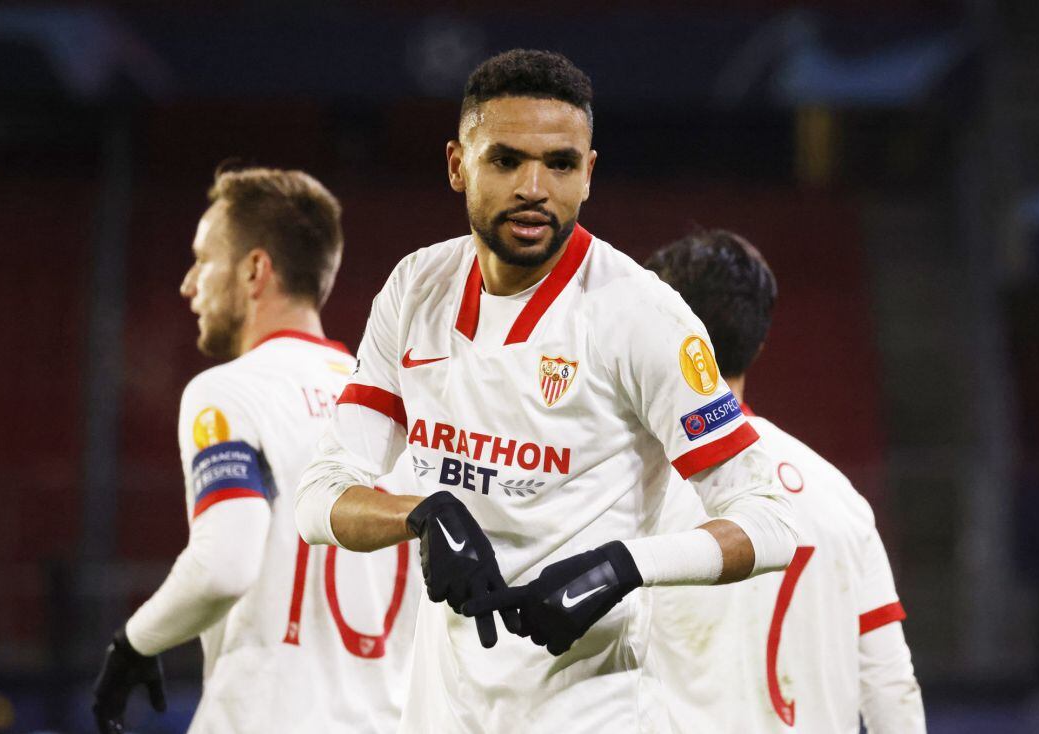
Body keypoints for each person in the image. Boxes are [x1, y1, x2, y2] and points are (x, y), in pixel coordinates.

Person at [294, 50, 799, 732]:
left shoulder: (641, 316)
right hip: (442, 713)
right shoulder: (416, 289)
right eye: (505, 160)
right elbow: (319, 494)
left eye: (560, 164)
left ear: (588, 174)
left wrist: (624, 567)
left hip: (591, 711)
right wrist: (420, 515)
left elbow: (770, 522)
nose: (535, 187)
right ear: (456, 165)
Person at [92, 167, 419, 733]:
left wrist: (133, 644)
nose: (189, 283)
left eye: (203, 259)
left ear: (254, 270)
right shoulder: (402, 409)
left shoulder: (228, 391)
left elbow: (224, 564)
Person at [644, 228, 925, 733]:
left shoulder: (626, 493)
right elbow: (890, 688)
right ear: (760, 340)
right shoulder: (840, 495)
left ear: (661, 335)